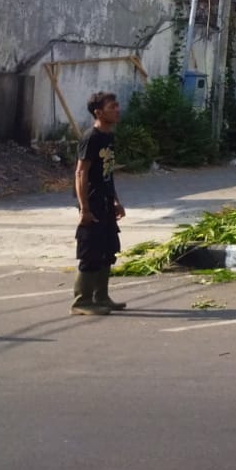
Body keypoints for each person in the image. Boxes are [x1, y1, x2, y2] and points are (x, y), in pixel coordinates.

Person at [72, 91, 127, 316]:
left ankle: (101, 297)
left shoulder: (109, 137)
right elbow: (80, 173)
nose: (117, 110)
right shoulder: (91, 138)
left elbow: (107, 173)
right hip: (92, 202)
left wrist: (116, 201)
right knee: (90, 251)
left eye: (117, 106)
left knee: (107, 249)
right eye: (112, 106)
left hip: (105, 201)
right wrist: (84, 207)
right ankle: (82, 301)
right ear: (99, 112)